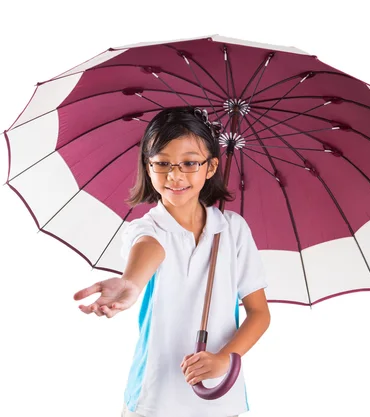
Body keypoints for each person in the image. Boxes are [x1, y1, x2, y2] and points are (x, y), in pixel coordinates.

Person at [73, 106, 270, 417]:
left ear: (211, 167)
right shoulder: (148, 228)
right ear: (147, 167)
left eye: (190, 163)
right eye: (162, 163)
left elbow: (259, 313)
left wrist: (223, 359)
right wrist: (130, 283)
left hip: (220, 400)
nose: (175, 175)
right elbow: (149, 250)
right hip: (154, 399)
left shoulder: (233, 231)